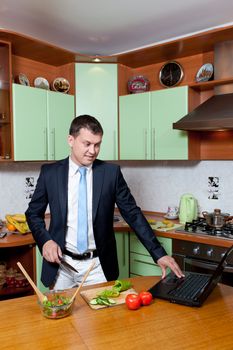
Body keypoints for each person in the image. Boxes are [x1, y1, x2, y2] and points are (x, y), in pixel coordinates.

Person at [25, 114, 184, 290]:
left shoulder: (111, 173)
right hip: (61, 265)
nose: (93, 151)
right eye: (87, 144)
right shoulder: (50, 173)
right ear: (71, 140)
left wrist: (158, 253)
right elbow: (33, 214)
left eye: (97, 144)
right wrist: (45, 241)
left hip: (98, 267)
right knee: (61, 314)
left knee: (102, 316)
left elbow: (132, 213)